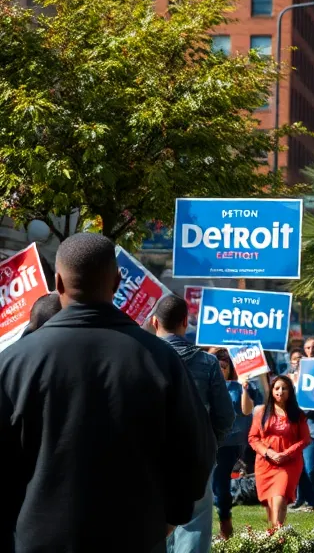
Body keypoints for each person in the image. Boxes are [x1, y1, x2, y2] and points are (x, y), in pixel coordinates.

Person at [0, 233, 215, 552]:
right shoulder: (160, 359)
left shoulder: (14, 362)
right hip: (135, 535)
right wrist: (173, 515)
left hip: (38, 537)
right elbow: (196, 451)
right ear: (116, 282)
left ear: (58, 283)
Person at [149, 294, 234, 553]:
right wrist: (209, 444)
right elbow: (225, 416)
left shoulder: (140, 356)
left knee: (152, 520)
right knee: (194, 525)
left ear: (154, 322)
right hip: (196, 455)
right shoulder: (207, 363)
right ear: (186, 322)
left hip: (151, 456)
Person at [208, 348, 267, 539]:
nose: (220, 369)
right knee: (210, 485)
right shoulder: (205, 385)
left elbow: (245, 410)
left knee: (220, 483)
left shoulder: (237, 386)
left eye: (224, 366)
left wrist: (243, 388)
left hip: (229, 444)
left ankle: (225, 524)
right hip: (207, 440)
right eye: (216, 365)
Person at [249, 375, 311, 529]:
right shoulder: (262, 412)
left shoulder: (298, 414)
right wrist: (269, 453)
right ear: (271, 391)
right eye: (277, 388)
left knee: (280, 497)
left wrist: (286, 454)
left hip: (288, 463)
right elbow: (253, 437)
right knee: (271, 502)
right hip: (265, 463)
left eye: (284, 388)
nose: (280, 391)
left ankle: (278, 533)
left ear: (290, 391)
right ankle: (274, 533)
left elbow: (305, 439)